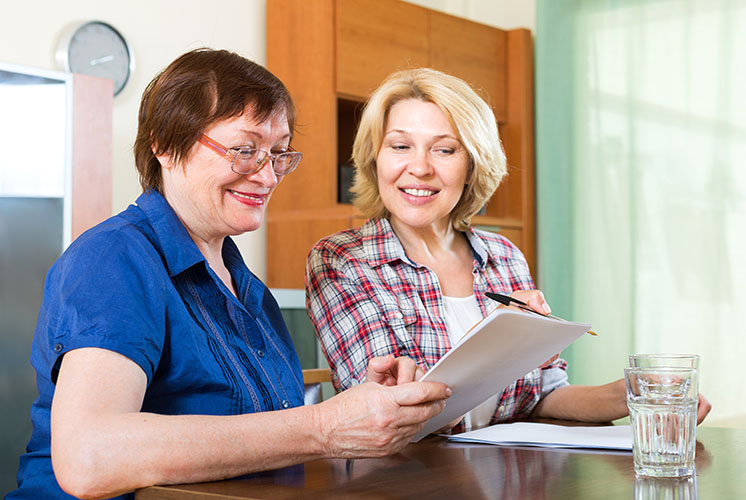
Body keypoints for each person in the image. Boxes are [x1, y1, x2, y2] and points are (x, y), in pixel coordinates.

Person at [8, 50, 450, 500]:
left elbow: (266, 444)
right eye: (244, 150)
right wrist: (323, 426)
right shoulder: (114, 258)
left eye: (277, 154)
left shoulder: (245, 289)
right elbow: (90, 459)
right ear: (164, 144)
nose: (267, 176)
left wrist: (360, 417)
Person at [305, 67, 711, 432]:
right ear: (375, 159)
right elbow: (396, 408)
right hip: (404, 483)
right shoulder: (341, 259)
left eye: (444, 149)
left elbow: (542, 395)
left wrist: (631, 394)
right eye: (400, 146)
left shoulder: (504, 256)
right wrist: (496, 340)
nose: (421, 167)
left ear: (471, 166)